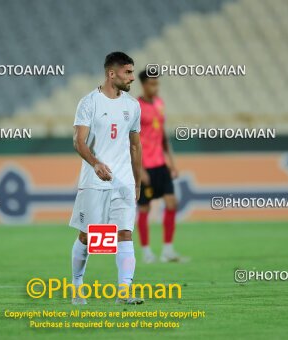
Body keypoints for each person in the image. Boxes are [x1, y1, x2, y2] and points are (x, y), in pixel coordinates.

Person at [69, 52, 143, 305]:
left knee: (124, 234)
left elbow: (135, 146)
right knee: (89, 238)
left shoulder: (133, 106)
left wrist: (138, 181)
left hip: (123, 182)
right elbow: (79, 141)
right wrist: (96, 163)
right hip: (94, 182)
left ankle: (124, 292)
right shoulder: (89, 103)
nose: (132, 77)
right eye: (128, 72)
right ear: (112, 74)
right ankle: (77, 286)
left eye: (133, 72)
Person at [137, 69, 184, 263]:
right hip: (145, 167)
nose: (155, 87)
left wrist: (172, 163)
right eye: (152, 84)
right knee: (145, 210)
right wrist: (139, 170)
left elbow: (163, 136)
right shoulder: (135, 108)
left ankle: (167, 250)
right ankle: (147, 252)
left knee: (172, 202)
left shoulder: (160, 104)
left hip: (161, 164)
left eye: (157, 84)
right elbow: (129, 141)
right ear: (143, 85)